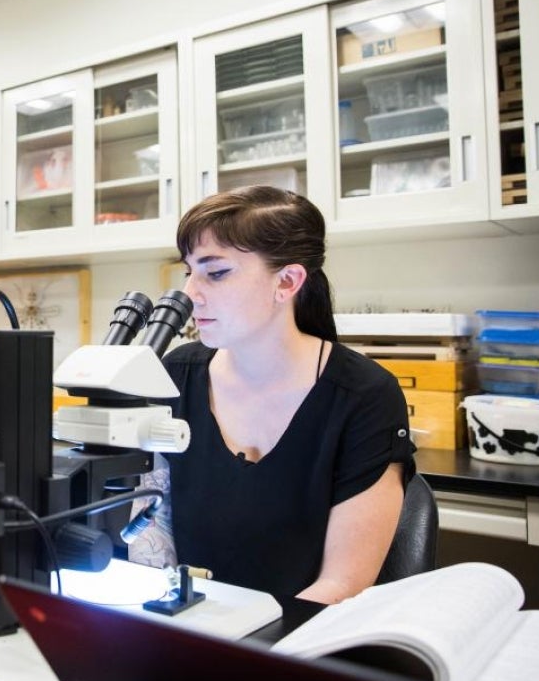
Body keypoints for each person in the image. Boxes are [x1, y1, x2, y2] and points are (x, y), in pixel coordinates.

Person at [129, 185, 415, 604]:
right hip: (192, 628)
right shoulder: (175, 375)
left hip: (300, 644)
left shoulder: (365, 396)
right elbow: (152, 529)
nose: (190, 294)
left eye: (216, 271)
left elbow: (343, 584)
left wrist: (256, 653)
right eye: (188, 271)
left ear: (287, 281)